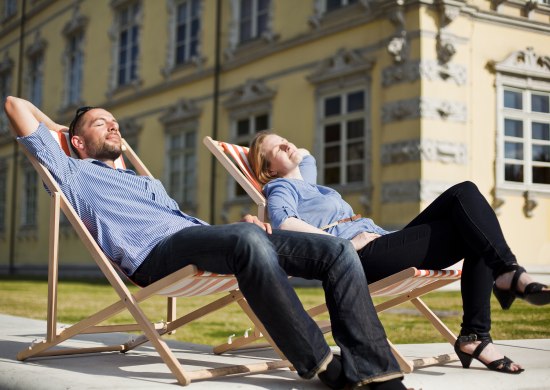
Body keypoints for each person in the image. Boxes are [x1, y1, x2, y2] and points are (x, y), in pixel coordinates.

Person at [5, 96, 409, 390]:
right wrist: (64, 130)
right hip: (154, 255)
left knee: (337, 250)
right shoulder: (70, 173)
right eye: (100, 124)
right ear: (76, 143)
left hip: (198, 238)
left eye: (114, 121)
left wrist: (238, 229)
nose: (113, 126)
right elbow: (14, 104)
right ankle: (322, 364)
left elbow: (194, 228)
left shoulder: (146, 182)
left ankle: (378, 372)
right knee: (247, 237)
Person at [248, 130, 550, 376]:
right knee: (468, 209)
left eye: (284, 139)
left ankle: (480, 327)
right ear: (269, 169)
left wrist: (288, 149)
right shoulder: (280, 187)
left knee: (469, 204)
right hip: (361, 257)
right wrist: (343, 245)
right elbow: (283, 222)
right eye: (276, 148)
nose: (286, 144)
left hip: (384, 242)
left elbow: (305, 154)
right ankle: (505, 281)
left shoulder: (309, 184)